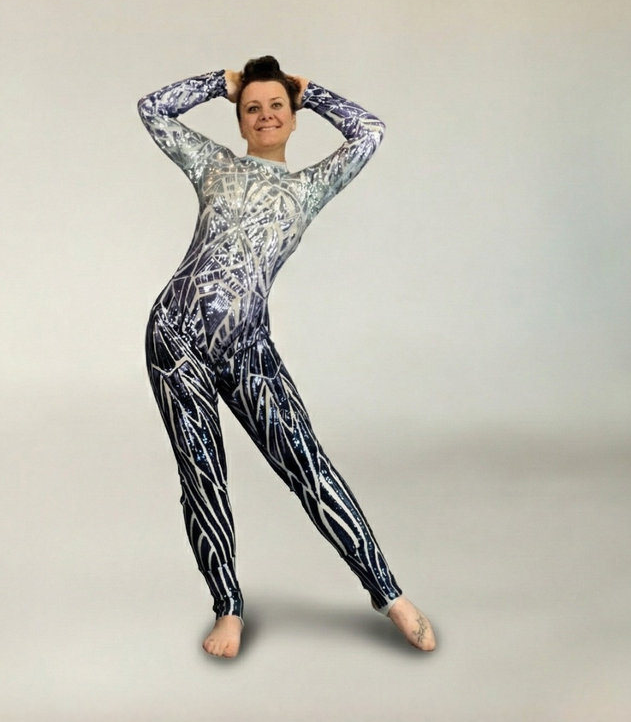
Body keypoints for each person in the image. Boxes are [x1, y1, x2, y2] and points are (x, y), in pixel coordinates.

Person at [140, 55, 435, 658]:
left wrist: (311, 91)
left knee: (310, 469)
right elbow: (152, 108)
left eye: (277, 106)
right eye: (253, 108)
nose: (266, 115)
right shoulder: (213, 163)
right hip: (175, 337)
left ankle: (390, 595)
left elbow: (370, 131)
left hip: (249, 346)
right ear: (241, 121)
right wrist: (216, 84)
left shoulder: (309, 185)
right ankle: (228, 609)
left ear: (292, 117)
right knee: (203, 476)